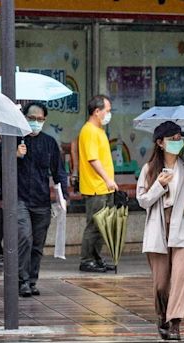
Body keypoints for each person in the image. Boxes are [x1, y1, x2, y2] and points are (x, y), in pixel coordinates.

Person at [136, 121, 184, 341]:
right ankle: (162, 315)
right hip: (158, 225)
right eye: (172, 139)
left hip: (183, 226)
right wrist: (159, 185)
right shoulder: (149, 170)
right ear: (160, 143)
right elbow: (143, 201)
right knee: (161, 282)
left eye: (179, 138)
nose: (178, 142)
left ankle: (175, 323)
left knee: (181, 277)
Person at [13, 102, 68, 297]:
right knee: (24, 238)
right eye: (32, 118)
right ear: (24, 118)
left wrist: (64, 197)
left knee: (37, 244)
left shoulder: (49, 143)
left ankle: (32, 280)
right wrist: (15, 155)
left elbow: (59, 172)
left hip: (42, 201)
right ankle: (22, 281)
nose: (35, 122)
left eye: (40, 119)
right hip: (19, 199)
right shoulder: (14, 139)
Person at [78, 95, 118, 273]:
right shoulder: (89, 131)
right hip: (95, 188)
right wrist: (108, 179)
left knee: (102, 226)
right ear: (97, 111)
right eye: (107, 111)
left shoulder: (99, 131)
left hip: (103, 187)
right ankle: (87, 260)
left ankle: (96, 258)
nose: (109, 114)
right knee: (94, 226)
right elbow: (93, 159)